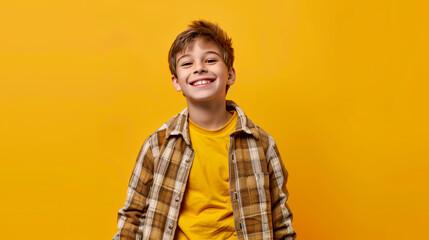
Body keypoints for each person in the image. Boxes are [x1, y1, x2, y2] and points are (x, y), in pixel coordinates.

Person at [113, 20, 296, 240]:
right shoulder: (157, 145)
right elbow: (132, 217)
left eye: (210, 60)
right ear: (176, 82)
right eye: (187, 63)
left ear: (229, 74)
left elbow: (280, 222)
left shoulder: (262, 144)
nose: (199, 68)